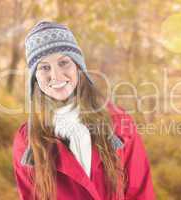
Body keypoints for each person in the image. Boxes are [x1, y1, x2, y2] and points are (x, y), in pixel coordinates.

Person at [12, 21, 156, 200]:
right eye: (44, 67)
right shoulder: (27, 141)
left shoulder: (118, 122)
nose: (55, 76)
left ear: (78, 67)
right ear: (35, 77)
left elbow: (140, 192)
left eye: (63, 62)